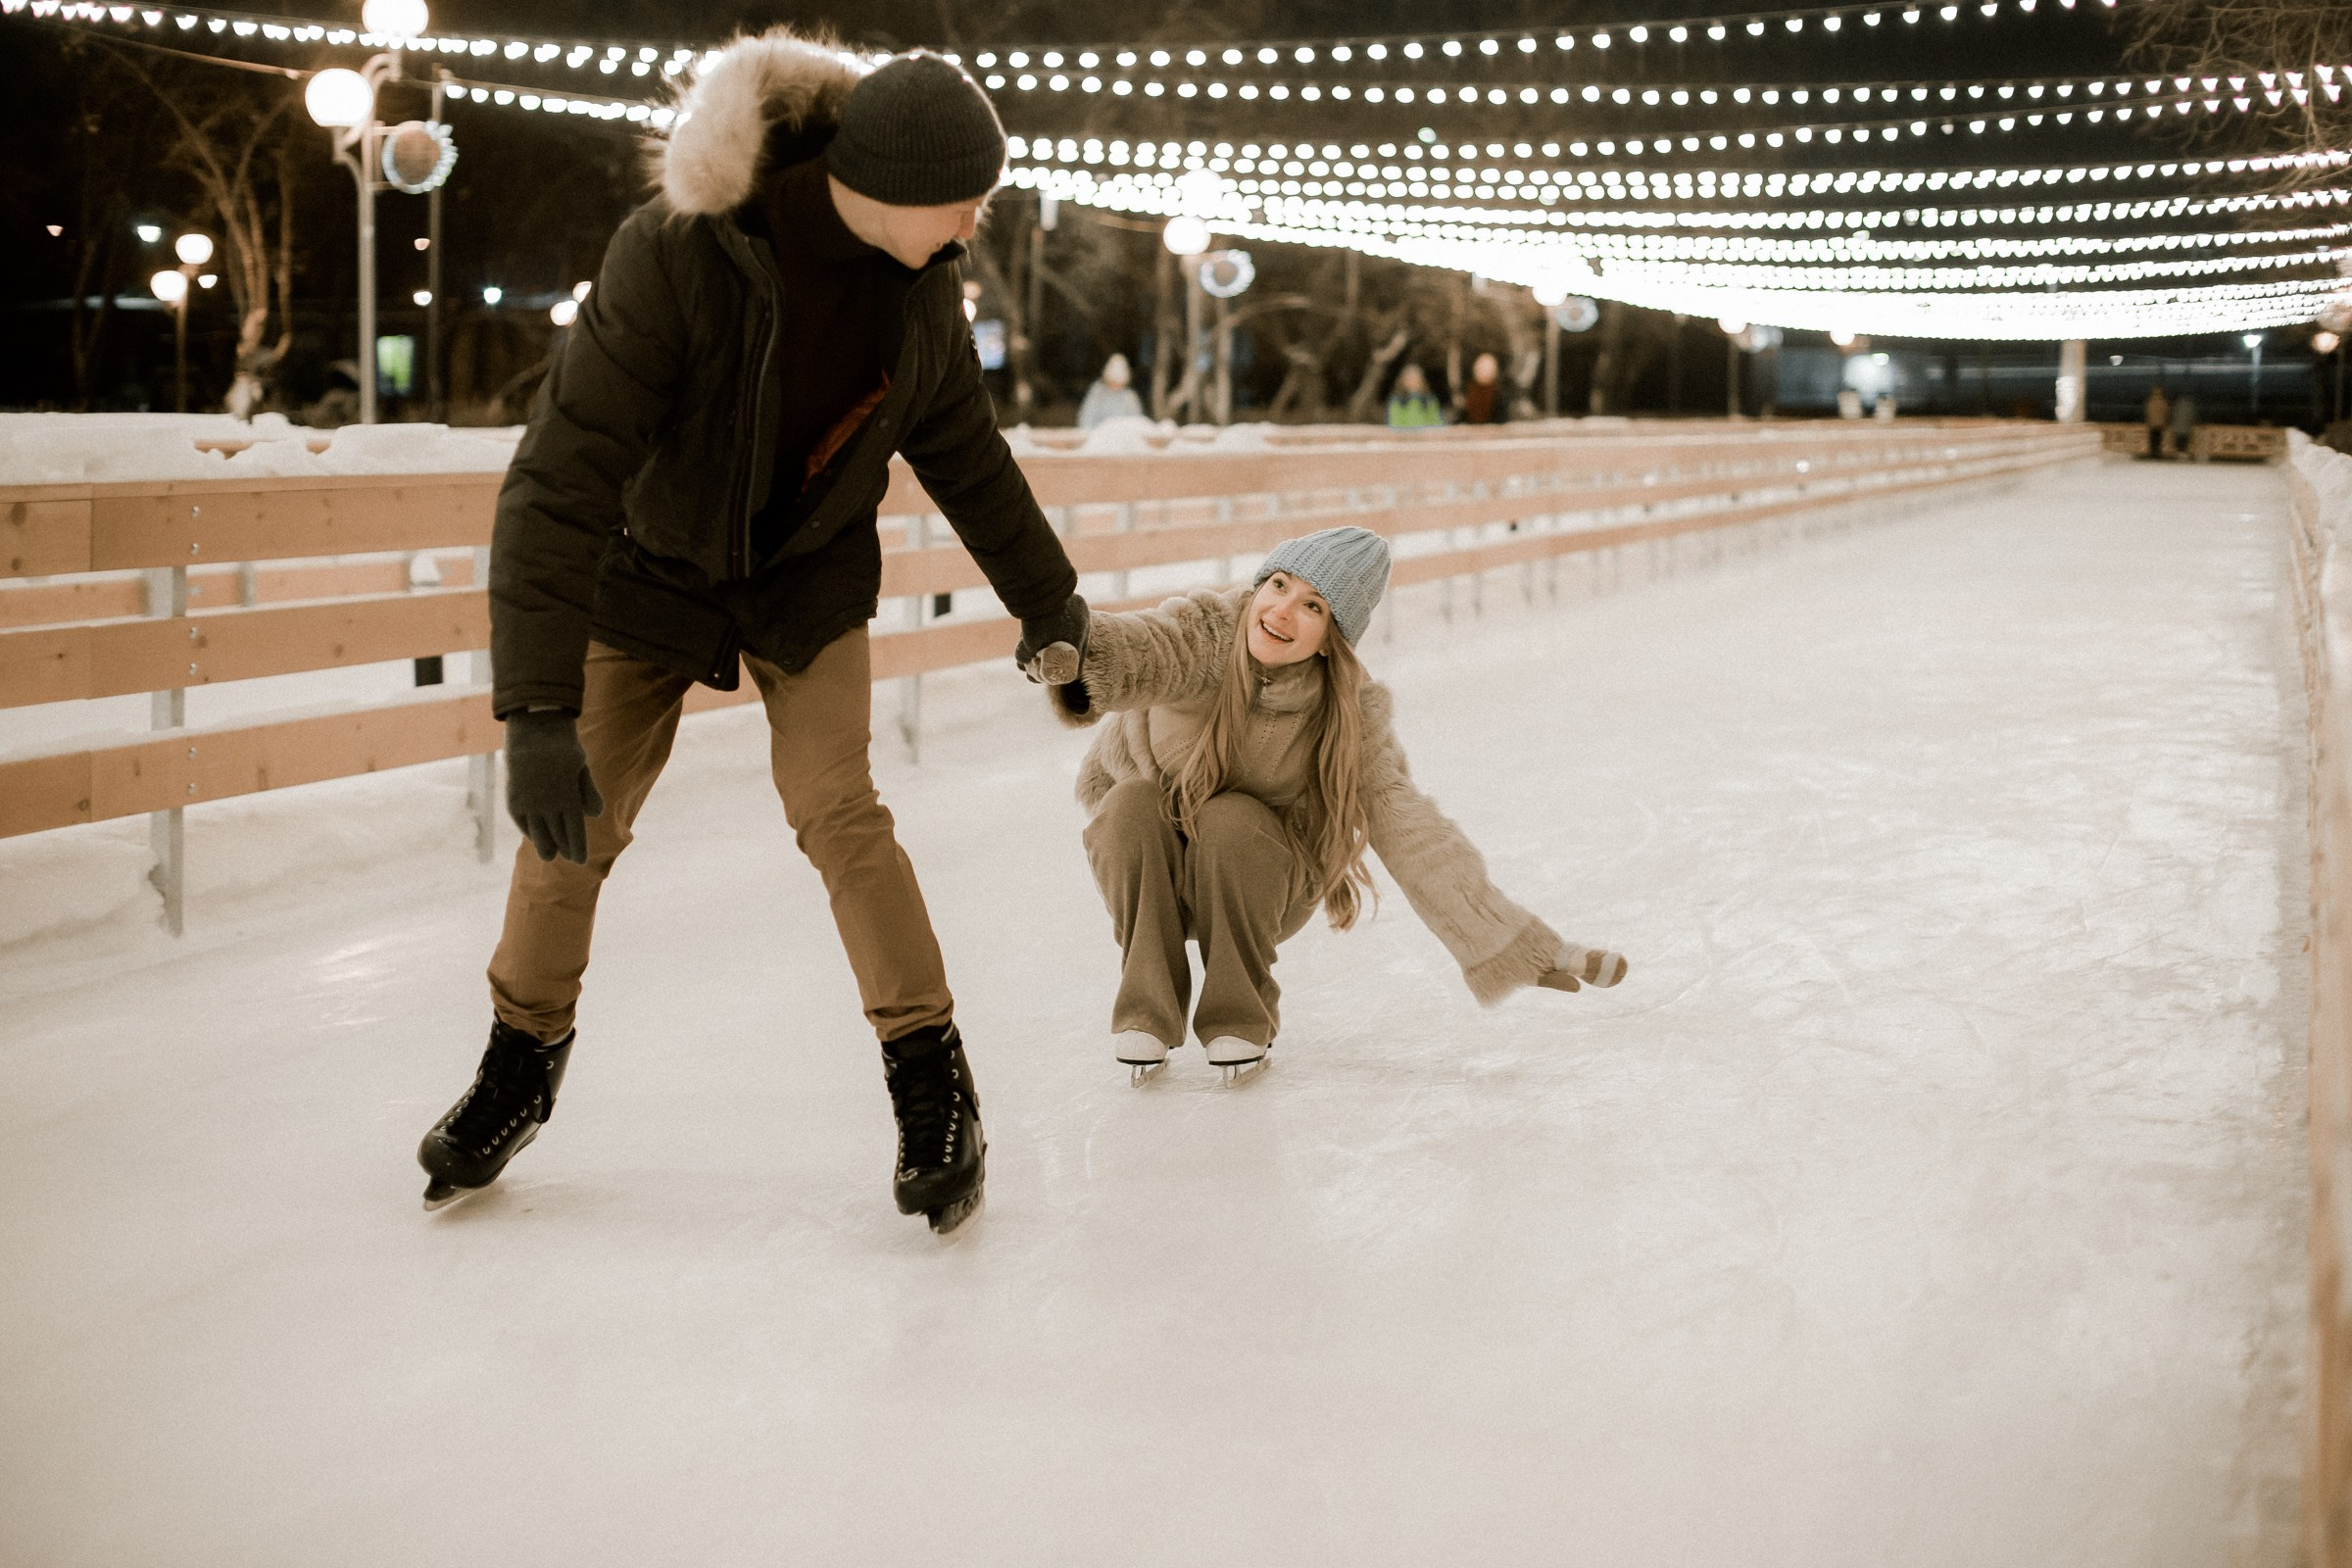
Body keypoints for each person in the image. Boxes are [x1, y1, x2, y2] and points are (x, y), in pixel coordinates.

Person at [416, 34, 1092, 1235]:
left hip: (804, 580)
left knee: (839, 811)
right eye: (968, 202)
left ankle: (933, 1081)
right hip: (654, 572)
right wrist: (530, 710)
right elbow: (557, 483)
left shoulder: (925, 293)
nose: (976, 226)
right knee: (577, 827)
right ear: (892, 191)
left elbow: (968, 460)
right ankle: (519, 1063)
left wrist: (1051, 606)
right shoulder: (681, 256)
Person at [1031, 525, 1627, 1083]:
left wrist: (1505, 940)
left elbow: (1410, 826)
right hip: (1152, 863)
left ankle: (1240, 1017)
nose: (1282, 611)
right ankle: (1145, 1014)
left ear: (1332, 637)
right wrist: (1075, 646)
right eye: (1279, 585)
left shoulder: (1350, 712)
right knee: (1131, 803)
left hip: (1261, 879)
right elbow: (1145, 648)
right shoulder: (1209, 633)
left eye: (1313, 606)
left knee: (1230, 816)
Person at [1077, 353, 1146, 429]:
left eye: (1118, 384)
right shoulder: (1097, 393)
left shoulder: (1130, 397)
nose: (1115, 387)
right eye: (1112, 383)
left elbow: (1136, 421)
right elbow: (1086, 419)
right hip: (1098, 436)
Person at [1385, 363, 1444, 430]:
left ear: (1422, 381)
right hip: (1405, 437)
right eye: (1409, 378)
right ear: (1402, 381)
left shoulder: (1429, 400)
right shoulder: (1396, 401)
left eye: (1416, 378)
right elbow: (1393, 423)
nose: (1413, 381)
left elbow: (1437, 421)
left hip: (1426, 437)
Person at [1458, 351, 1507, 424]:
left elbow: (1501, 420)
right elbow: (1461, 418)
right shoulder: (1468, 392)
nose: (1484, 372)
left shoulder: (1499, 395)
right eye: (1481, 368)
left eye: (1487, 369)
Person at [2143, 383, 2172, 460]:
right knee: (2159, 439)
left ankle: (2152, 452)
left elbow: (2147, 412)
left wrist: (2148, 421)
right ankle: (2158, 452)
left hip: (2152, 424)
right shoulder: (2164, 402)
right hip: (2161, 423)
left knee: (2152, 439)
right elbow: (2167, 412)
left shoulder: (2150, 401)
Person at [2168, 390, 2198, 461]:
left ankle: (2178, 454)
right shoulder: (2189, 406)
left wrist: (2172, 424)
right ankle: (2184, 454)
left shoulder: (2176, 405)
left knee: (2178, 441)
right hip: (2186, 427)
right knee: (2185, 441)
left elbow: (2172, 415)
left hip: (2177, 427)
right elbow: (2192, 416)